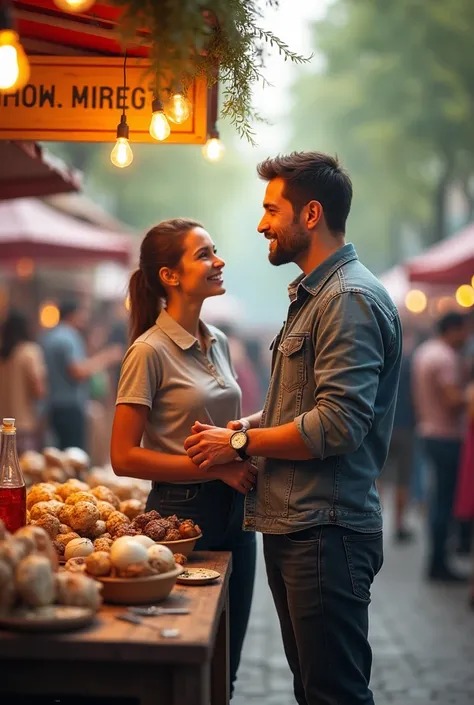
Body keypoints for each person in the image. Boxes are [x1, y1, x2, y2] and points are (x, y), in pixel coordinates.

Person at [184, 152, 402, 705]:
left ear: (310, 214)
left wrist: (240, 441)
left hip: (325, 532)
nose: (261, 224)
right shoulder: (316, 295)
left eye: (270, 210)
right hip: (301, 527)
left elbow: (339, 423)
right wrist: (251, 423)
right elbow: (304, 403)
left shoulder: (346, 299)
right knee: (314, 690)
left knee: (334, 694)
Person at [110, 218, 257, 695]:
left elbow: (226, 429)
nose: (219, 262)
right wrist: (217, 466)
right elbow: (123, 457)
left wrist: (250, 435)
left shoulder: (221, 342)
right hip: (182, 516)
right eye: (204, 254)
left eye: (214, 251)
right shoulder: (148, 351)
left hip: (238, 510)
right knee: (191, 656)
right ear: (170, 276)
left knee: (228, 665)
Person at [412, 312, 470, 582]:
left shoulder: (426, 352)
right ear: (454, 329)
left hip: (428, 430)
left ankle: (437, 561)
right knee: (444, 502)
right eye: (464, 331)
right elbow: (451, 400)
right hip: (446, 435)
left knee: (439, 499)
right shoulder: (445, 358)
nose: (467, 337)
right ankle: (439, 562)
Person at [42, 299, 122, 451]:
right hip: (70, 406)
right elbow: (77, 371)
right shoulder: (69, 337)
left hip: (52, 405)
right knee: (73, 454)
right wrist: (106, 358)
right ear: (73, 315)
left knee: (58, 453)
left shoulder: (49, 336)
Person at [379, 326, 416, 543]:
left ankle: (374, 520)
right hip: (405, 426)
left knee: (377, 476)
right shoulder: (410, 363)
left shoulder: (377, 360)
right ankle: (399, 525)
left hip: (381, 426)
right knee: (403, 479)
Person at [0, 310, 46, 454]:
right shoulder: (30, 352)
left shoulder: (3, 355)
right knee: (24, 471)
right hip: (24, 424)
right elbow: (39, 390)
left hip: (2, 424)